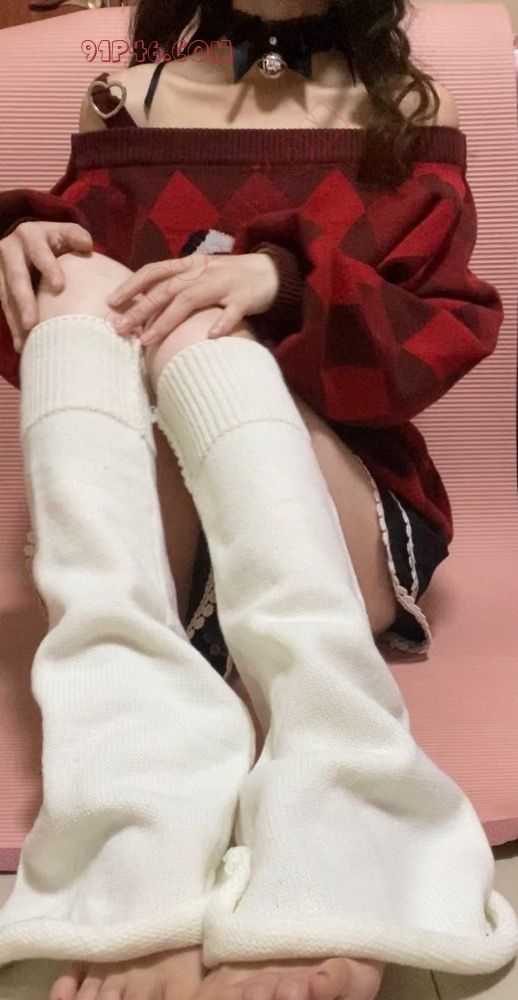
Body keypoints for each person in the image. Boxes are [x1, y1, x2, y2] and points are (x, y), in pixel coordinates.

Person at [0, 1, 517, 998]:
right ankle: (132, 796)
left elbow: (435, 332)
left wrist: (280, 281)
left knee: (200, 329)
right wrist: (24, 254)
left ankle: (335, 786)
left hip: (341, 508)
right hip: (166, 526)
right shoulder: (125, 100)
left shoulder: (410, 117)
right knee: (73, 288)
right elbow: (89, 357)